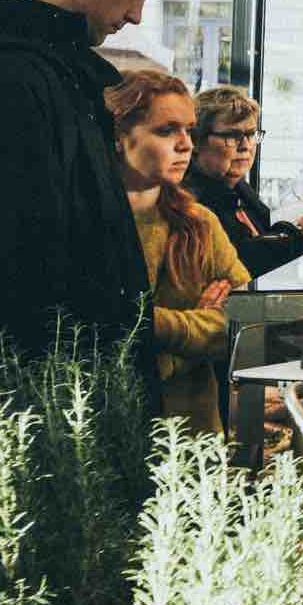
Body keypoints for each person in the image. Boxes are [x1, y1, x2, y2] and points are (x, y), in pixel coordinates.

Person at [0, 0, 197, 406]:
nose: (136, 16)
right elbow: (5, 264)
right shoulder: (8, 77)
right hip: (35, 410)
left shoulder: (43, 69)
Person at [109, 69, 250, 435]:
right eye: (166, 130)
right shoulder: (87, 224)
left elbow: (244, 324)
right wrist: (194, 327)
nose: (185, 144)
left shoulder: (199, 223)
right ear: (120, 137)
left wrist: (152, 325)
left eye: (188, 129)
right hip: (109, 431)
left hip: (191, 432)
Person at [186, 85, 303, 280]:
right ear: (197, 141)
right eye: (232, 136)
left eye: (251, 135)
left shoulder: (239, 189)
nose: (245, 146)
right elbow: (231, 262)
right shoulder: (188, 198)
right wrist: (298, 236)